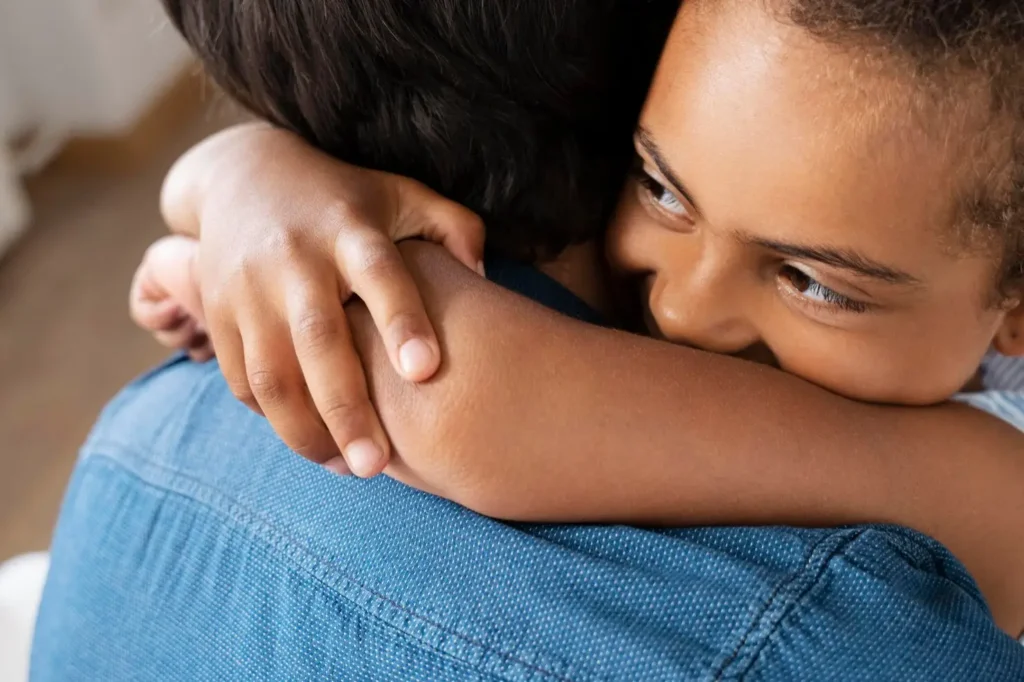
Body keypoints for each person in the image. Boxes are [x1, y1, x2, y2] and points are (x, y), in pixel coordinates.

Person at [31, 0, 1024, 679]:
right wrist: (242, 186)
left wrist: (246, 196)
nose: (676, 314)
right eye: (662, 186)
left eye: (814, 281)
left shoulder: (988, 471)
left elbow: (469, 405)